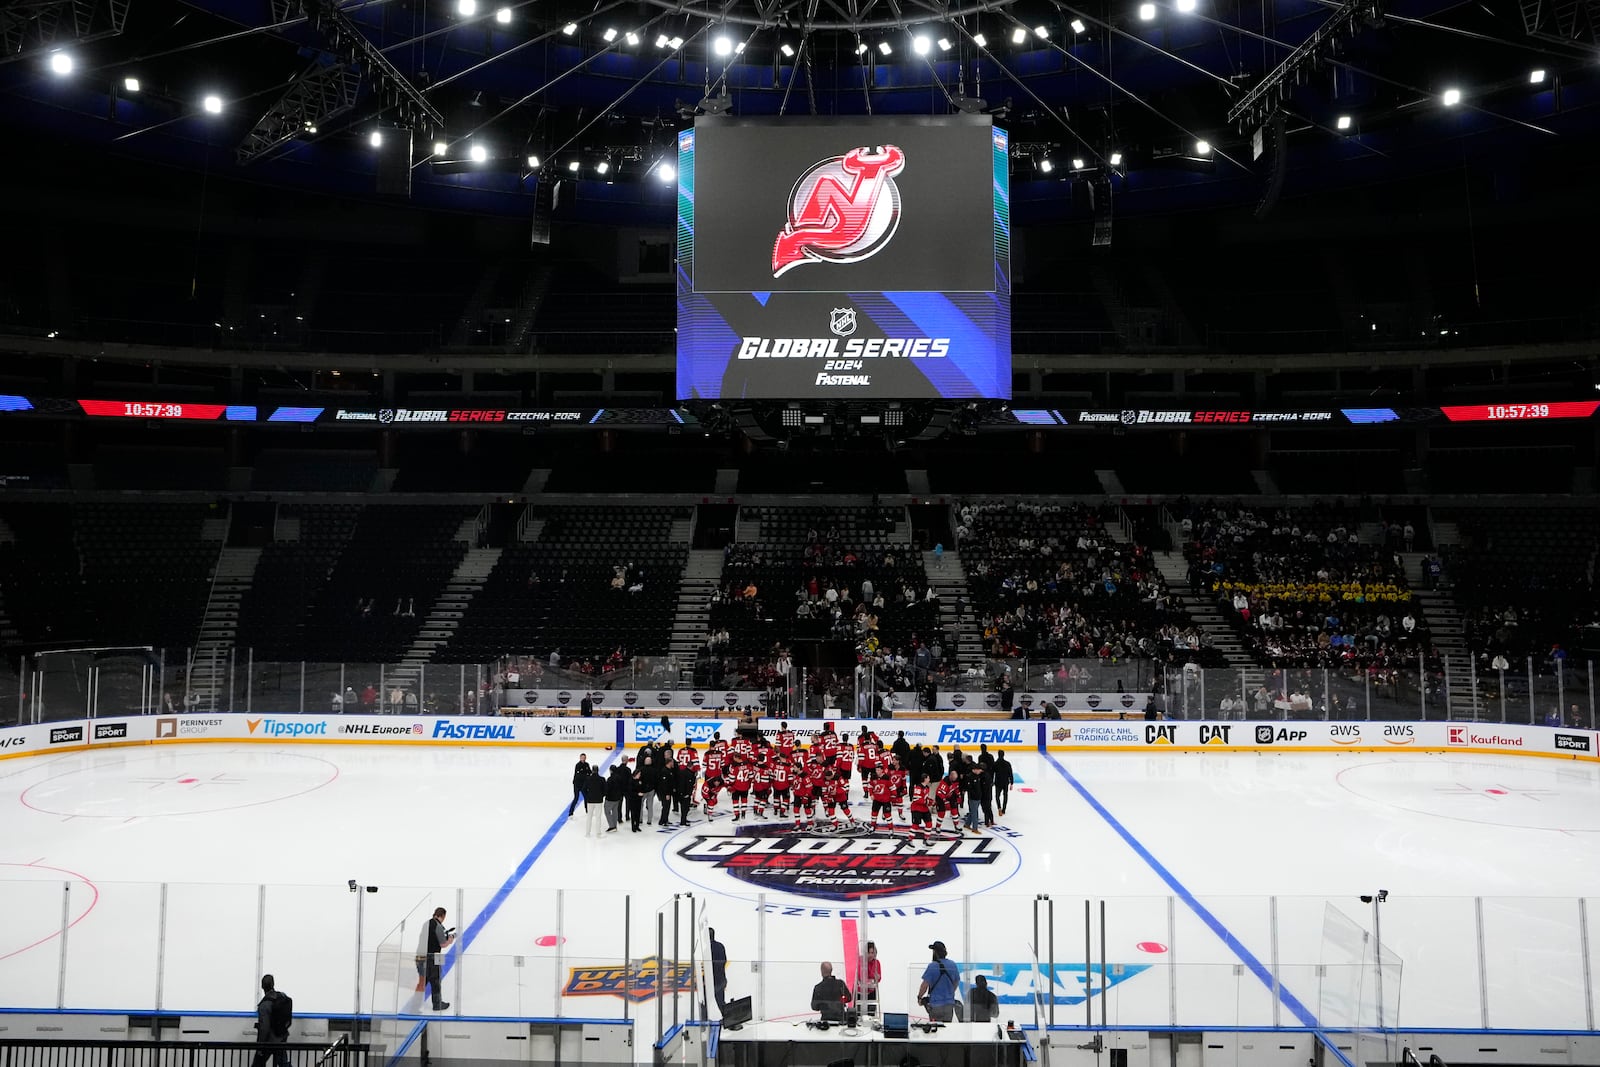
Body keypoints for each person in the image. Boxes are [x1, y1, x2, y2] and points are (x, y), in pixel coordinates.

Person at [415, 907, 453, 1012]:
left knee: (422, 981)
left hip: (420, 956)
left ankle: (415, 1005)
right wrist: (450, 940)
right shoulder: (438, 926)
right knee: (435, 981)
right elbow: (443, 944)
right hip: (433, 957)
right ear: (443, 916)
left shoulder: (426, 923)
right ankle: (437, 1004)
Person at [251, 974, 291, 1067]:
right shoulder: (282, 997)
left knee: (257, 1064)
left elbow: (264, 1028)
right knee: (283, 1063)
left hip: (269, 1041)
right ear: (273, 984)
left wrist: (260, 1047)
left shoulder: (264, 1005)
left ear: (262, 987)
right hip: (281, 1036)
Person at [917, 941, 961, 1022]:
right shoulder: (953, 965)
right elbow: (956, 982)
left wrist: (919, 997)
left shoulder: (932, 966)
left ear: (935, 952)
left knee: (936, 1030)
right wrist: (950, 992)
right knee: (947, 1028)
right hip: (949, 1004)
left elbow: (924, 985)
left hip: (935, 1005)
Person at [582, 764, 606, 837]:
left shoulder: (588, 779)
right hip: (599, 800)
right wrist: (601, 795)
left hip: (590, 800)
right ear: (598, 771)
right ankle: (598, 833)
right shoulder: (602, 779)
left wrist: (587, 796)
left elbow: (583, 789)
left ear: (592, 770)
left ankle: (587, 833)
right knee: (598, 817)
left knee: (589, 817)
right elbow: (605, 790)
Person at [710, 928, 729, 1014]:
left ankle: (704, 1020)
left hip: (713, 980)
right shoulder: (720, 946)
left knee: (705, 1003)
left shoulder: (708, 947)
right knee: (721, 1002)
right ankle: (727, 1018)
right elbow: (724, 961)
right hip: (721, 978)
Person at [568, 753, 591, 817]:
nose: (583, 758)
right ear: (580, 758)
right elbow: (579, 776)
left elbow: (589, 772)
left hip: (584, 785)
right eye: (582, 757)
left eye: (584, 757)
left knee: (586, 797)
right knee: (576, 798)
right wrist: (586, 775)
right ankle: (570, 813)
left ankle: (587, 810)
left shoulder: (587, 764)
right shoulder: (577, 765)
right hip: (577, 784)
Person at [863, 941, 882, 1016]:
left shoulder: (877, 963)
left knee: (871, 1015)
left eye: (872, 953)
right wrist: (872, 976)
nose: (870, 955)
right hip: (860, 992)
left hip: (871, 992)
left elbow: (879, 978)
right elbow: (861, 977)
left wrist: (876, 978)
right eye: (869, 952)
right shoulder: (861, 961)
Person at [992, 752, 1013, 817]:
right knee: (1005, 795)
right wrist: (1012, 783)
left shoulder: (995, 763)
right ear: (1003, 755)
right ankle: (1004, 809)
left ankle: (999, 807)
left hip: (998, 782)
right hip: (1005, 782)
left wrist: (992, 782)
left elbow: (993, 773)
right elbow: (1010, 774)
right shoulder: (1007, 763)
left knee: (997, 796)